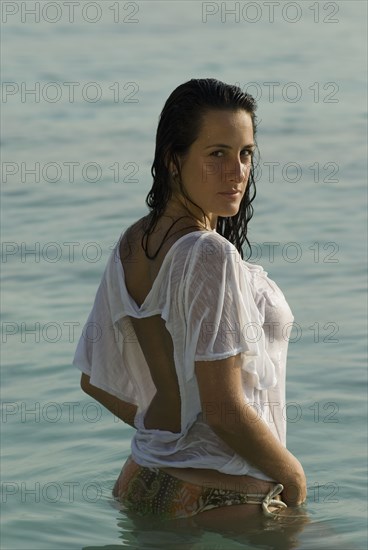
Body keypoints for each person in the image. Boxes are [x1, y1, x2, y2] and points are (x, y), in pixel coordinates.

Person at [73, 78, 307, 524]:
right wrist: (293, 478)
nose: (237, 172)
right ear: (173, 160)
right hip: (222, 495)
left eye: (245, 153)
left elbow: (94, 380)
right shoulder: (208, 253)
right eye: (216, 154)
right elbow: (221, 408)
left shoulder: (133, 242)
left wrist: (170, 443)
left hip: (142, 479)